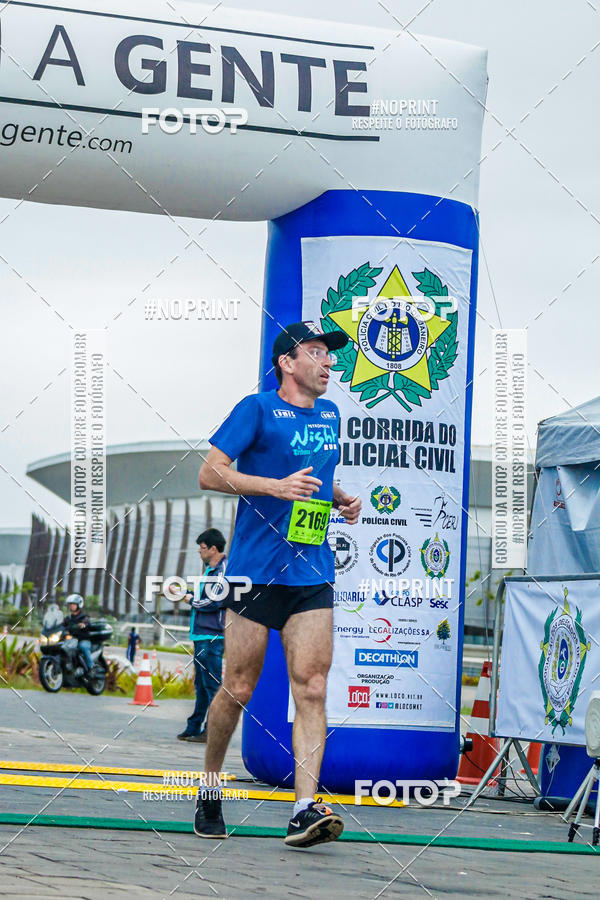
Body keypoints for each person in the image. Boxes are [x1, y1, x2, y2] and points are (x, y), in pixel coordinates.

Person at [194, 321, 361, 849]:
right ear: (287, 363)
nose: (327, 363)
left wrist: (339, 497)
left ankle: (304, 808)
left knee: (311, 685)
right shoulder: (257, 408)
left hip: (311, 570)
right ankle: (209, 787)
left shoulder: (332, 413)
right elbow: (210, 472)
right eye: (315, 353)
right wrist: (273, 487)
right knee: (238, 688)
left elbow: (313, 472)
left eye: (329, 356)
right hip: (254, 571)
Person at [177, 528, 227, 744]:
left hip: (212, 636)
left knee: (213, 685)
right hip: (201, 635)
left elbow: (217, 600)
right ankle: (194, 726)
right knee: (202, 684)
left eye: (202, 547)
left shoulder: (223, 570)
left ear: (214, 549)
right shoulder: (211, 571)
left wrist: (188, 600)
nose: (199, 551)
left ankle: (212, 731)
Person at [63, 593, 93, 674]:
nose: (71, 606)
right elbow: (61, 626)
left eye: (73, 604)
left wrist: (83, 624)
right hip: (71, 640)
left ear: (79, 605)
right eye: (70, 605)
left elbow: (87, 622)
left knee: (83, 647)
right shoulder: (68, 618)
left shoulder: (84, 617)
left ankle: (91, 668)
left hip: (82, 639)